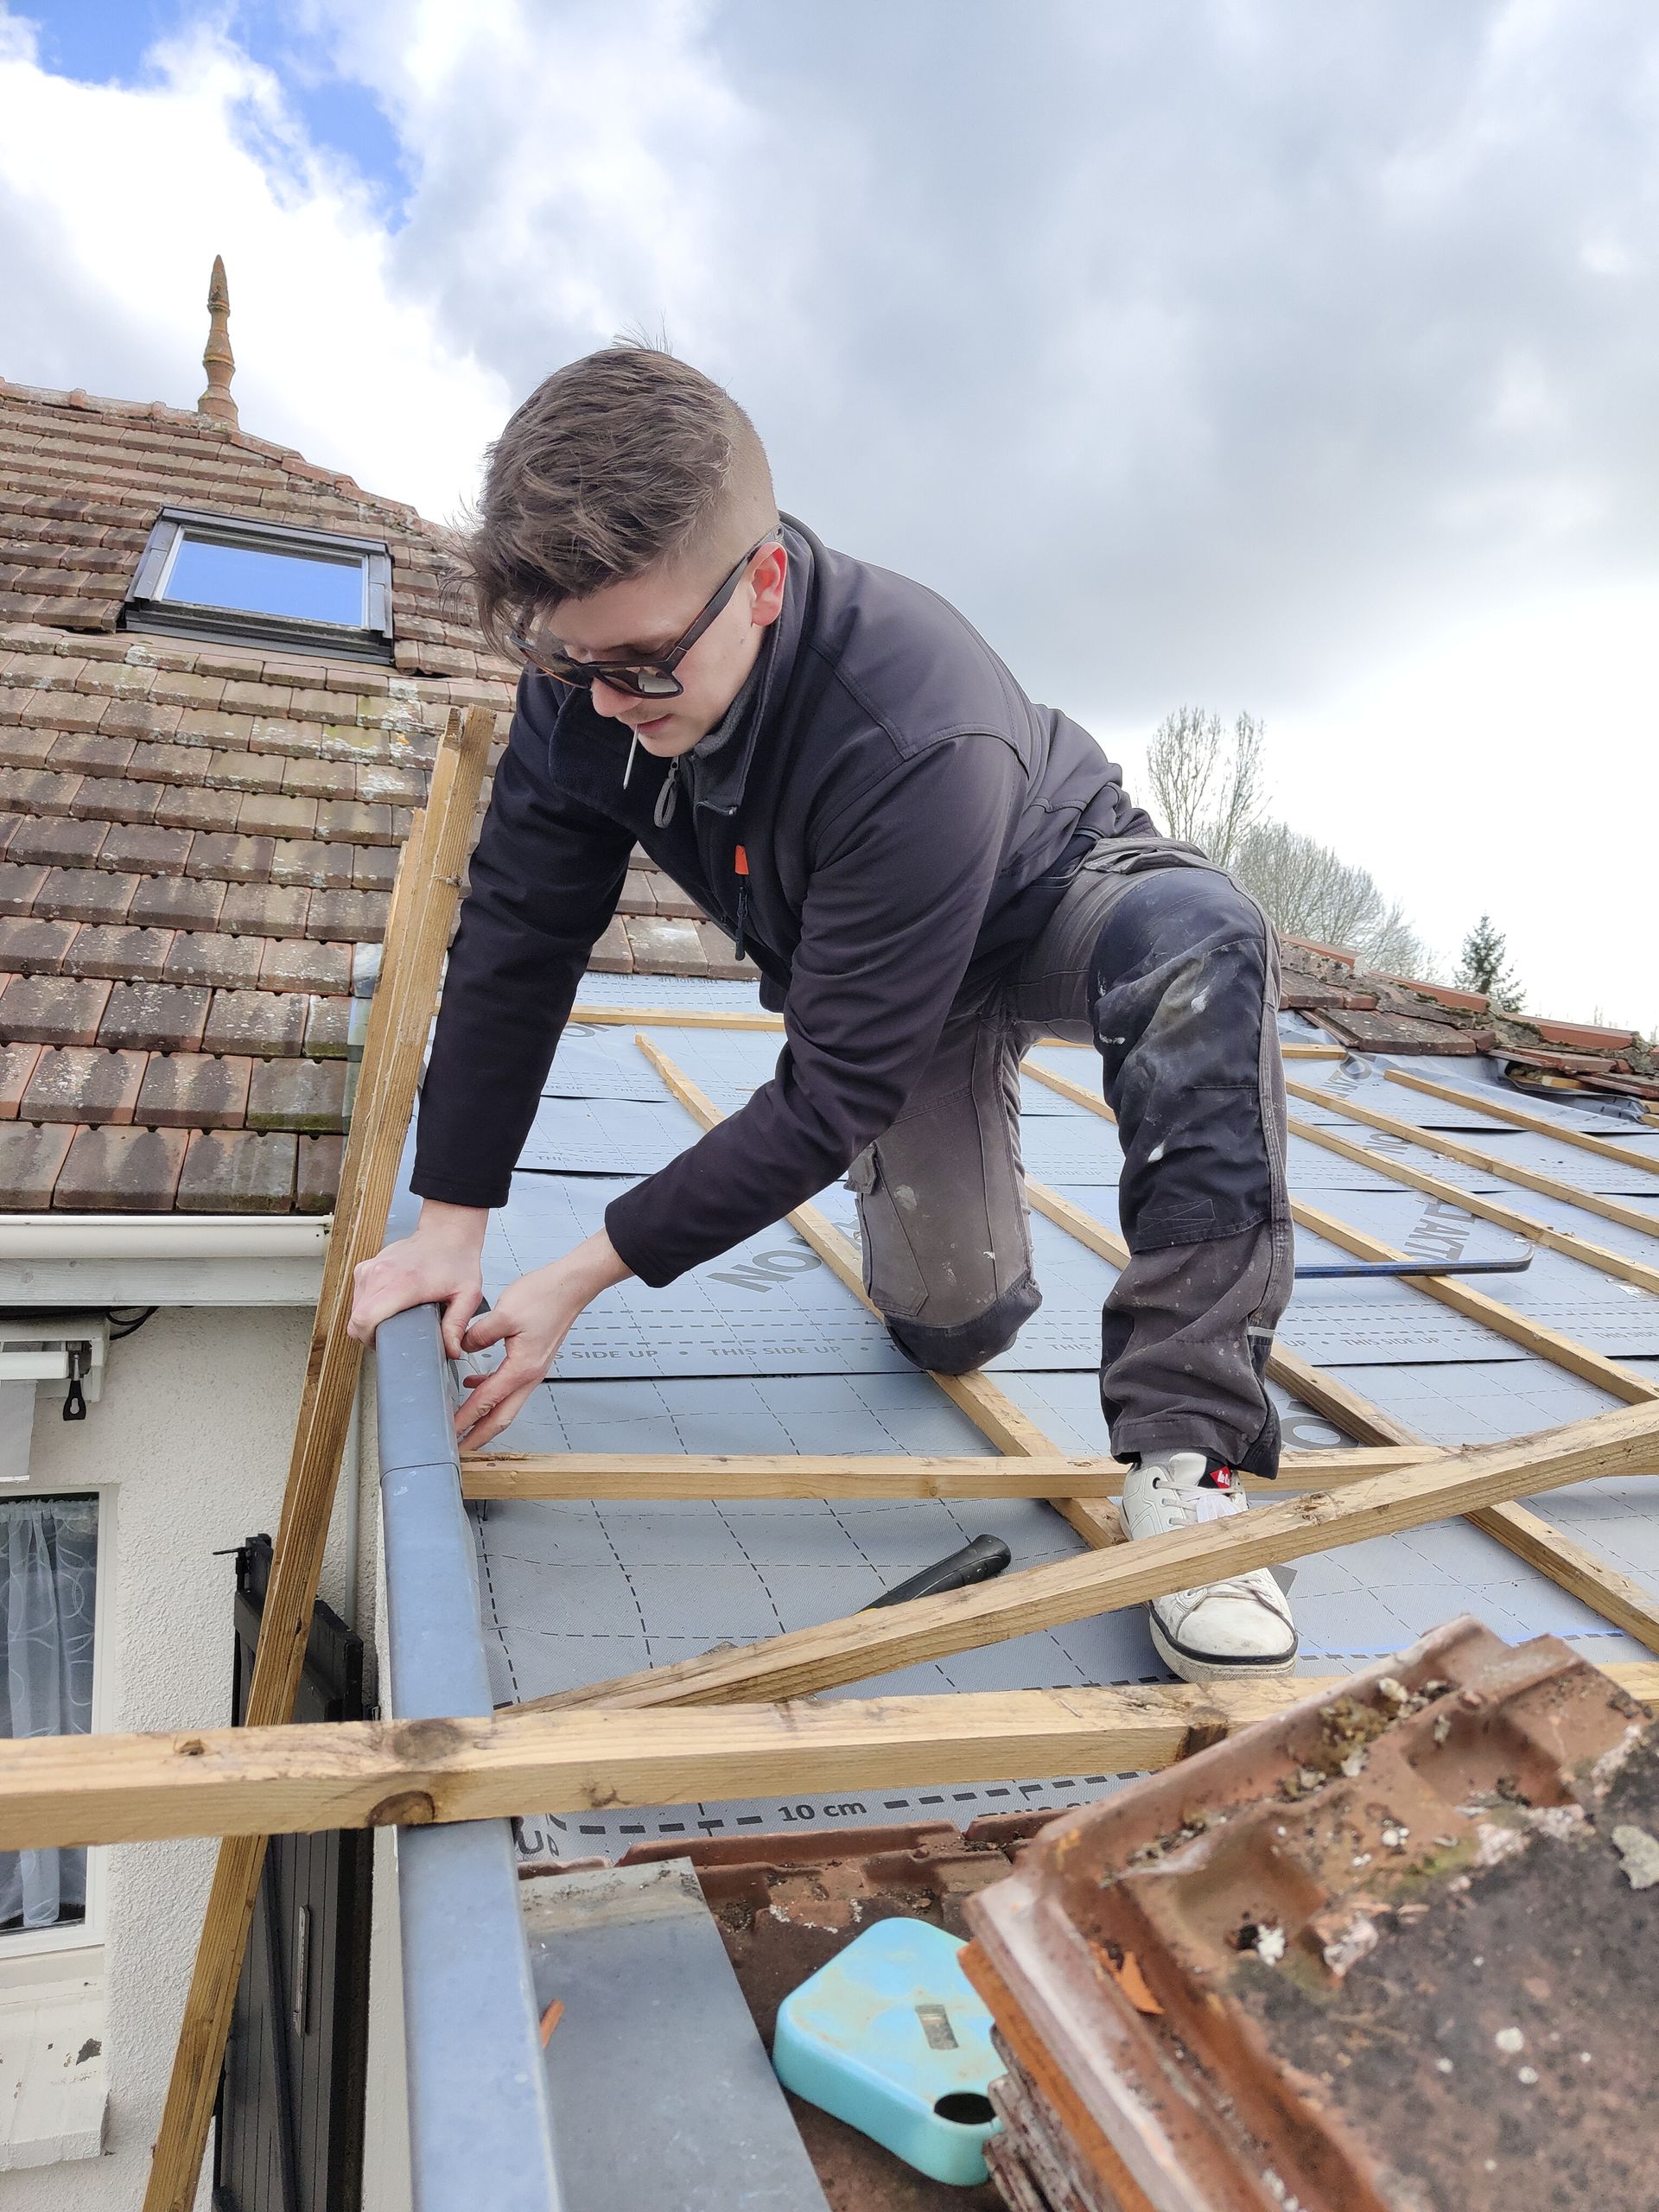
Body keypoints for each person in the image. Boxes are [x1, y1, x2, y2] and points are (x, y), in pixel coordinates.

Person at [348, 345, 1297, 1686]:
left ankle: (1190, 1453)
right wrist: (452, 1225)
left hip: (1046, 902)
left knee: (1200, 939)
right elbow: (516, 939)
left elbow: (830, 1092)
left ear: (767, 582)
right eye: (574, 667)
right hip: (892, 985)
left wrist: (577, 1277)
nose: (612, 702)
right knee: (953, 1328)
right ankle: (967, 1160)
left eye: (646, 668)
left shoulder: (913, 723)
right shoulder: (586, 690)